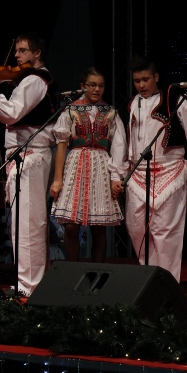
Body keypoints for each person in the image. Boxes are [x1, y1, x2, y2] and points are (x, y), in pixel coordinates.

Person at [0, 32, 57, 296]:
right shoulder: (28, 80)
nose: (16, 56)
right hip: (23, 156)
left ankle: (29, 288)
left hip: (31, 155)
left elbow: (11, 114)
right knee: (23, 224)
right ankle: (27, 283)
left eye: (22, 50)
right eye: (16, 50)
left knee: (28, 224)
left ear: (37, 53)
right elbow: (13, 110)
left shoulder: (35, 80)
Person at [123, 55, 187, 282]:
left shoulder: (172, 99)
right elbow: (122, 141)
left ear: (156, 77)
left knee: (165, 230)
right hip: (138, 173)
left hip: (169, 170)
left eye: (146, 79)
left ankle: (166, 282)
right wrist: (119, 172)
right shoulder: (131, 104)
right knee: (136, 227)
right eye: (137, 81)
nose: (141, 85)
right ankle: (148, 277)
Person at [49, 67, 127, 262]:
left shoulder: (110, 112)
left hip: (101, 166)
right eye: (92, 85)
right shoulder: (71, 110)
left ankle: (96, 272)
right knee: (71, 225)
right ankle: (73, 271)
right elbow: (61, 146)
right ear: (83, 86)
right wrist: (57, 179)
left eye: (101, 85)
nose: (97, 89)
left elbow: (119, 145)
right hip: (75, 165)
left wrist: (115, 177)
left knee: (98, 227)